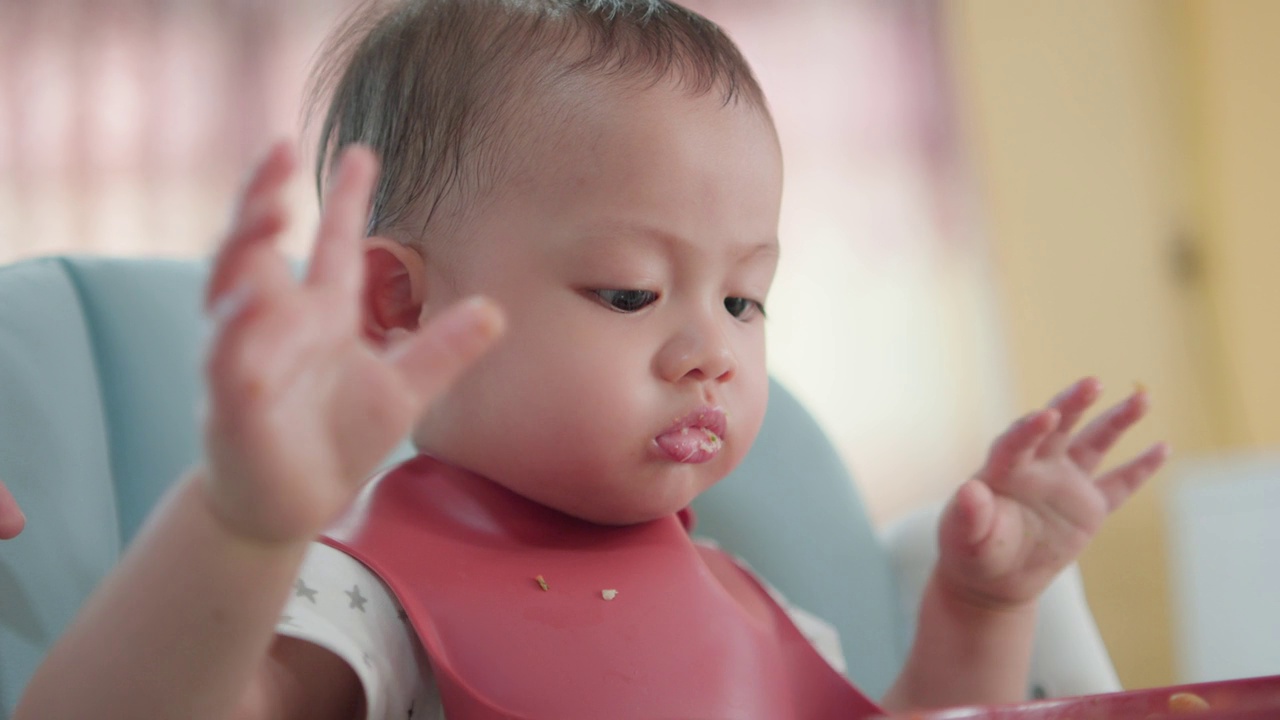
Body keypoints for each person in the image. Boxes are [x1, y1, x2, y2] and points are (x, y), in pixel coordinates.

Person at [15, 1, 1169, 718]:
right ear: (399, 302)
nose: (710, 350)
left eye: (742, 297)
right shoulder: (368, 600)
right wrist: (242, 523)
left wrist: (980, 608)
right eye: (628, 290)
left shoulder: (743, 602)